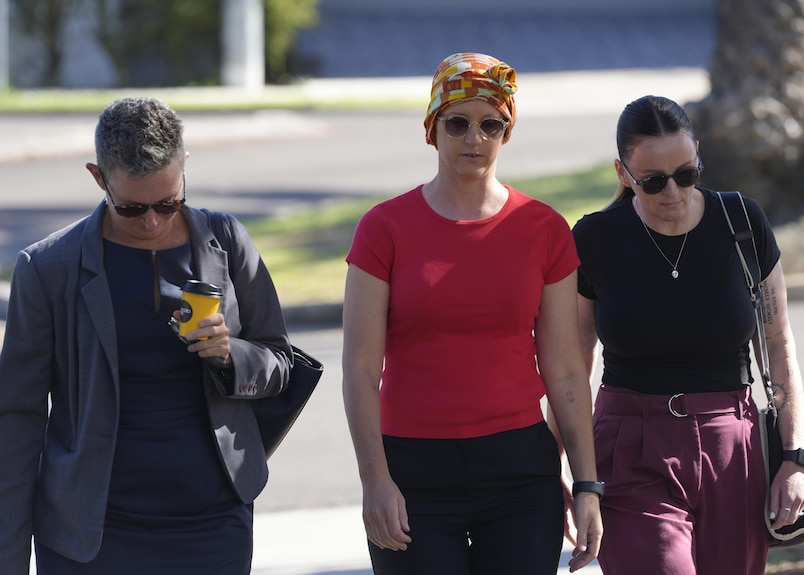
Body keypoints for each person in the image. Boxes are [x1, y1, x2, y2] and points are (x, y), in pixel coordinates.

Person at [0, 97, 293, 574]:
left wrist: (228, 354)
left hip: (213, 525)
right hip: (90, 536)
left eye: (168, 202)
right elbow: (16, 420)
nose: (153, 222)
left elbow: (279, 362)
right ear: (99, 178)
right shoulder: (47, 268)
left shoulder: (228, 242)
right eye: (132, 208)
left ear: (185, 168)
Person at [341, 52, 603, 575]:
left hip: (519, 475)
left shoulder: (544, 228)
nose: (474, 138)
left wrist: (587, 484)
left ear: (507, 133)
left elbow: (567, 371)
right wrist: (375, 481)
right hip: (412, 472)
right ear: (432, 128)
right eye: (457, 122)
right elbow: (360, 371)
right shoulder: (383, 228)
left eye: (491, 124)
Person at [571, 95, 804, 574]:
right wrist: (571, 474)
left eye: (686, 173)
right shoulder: (596, 238)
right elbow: (572, 366)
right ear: (623, 174)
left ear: (699, 155)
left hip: (732, 446)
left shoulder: (742, 223)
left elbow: (780, 346)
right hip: (630, 447)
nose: (673, 192)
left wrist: (795, 455)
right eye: (654, 181)